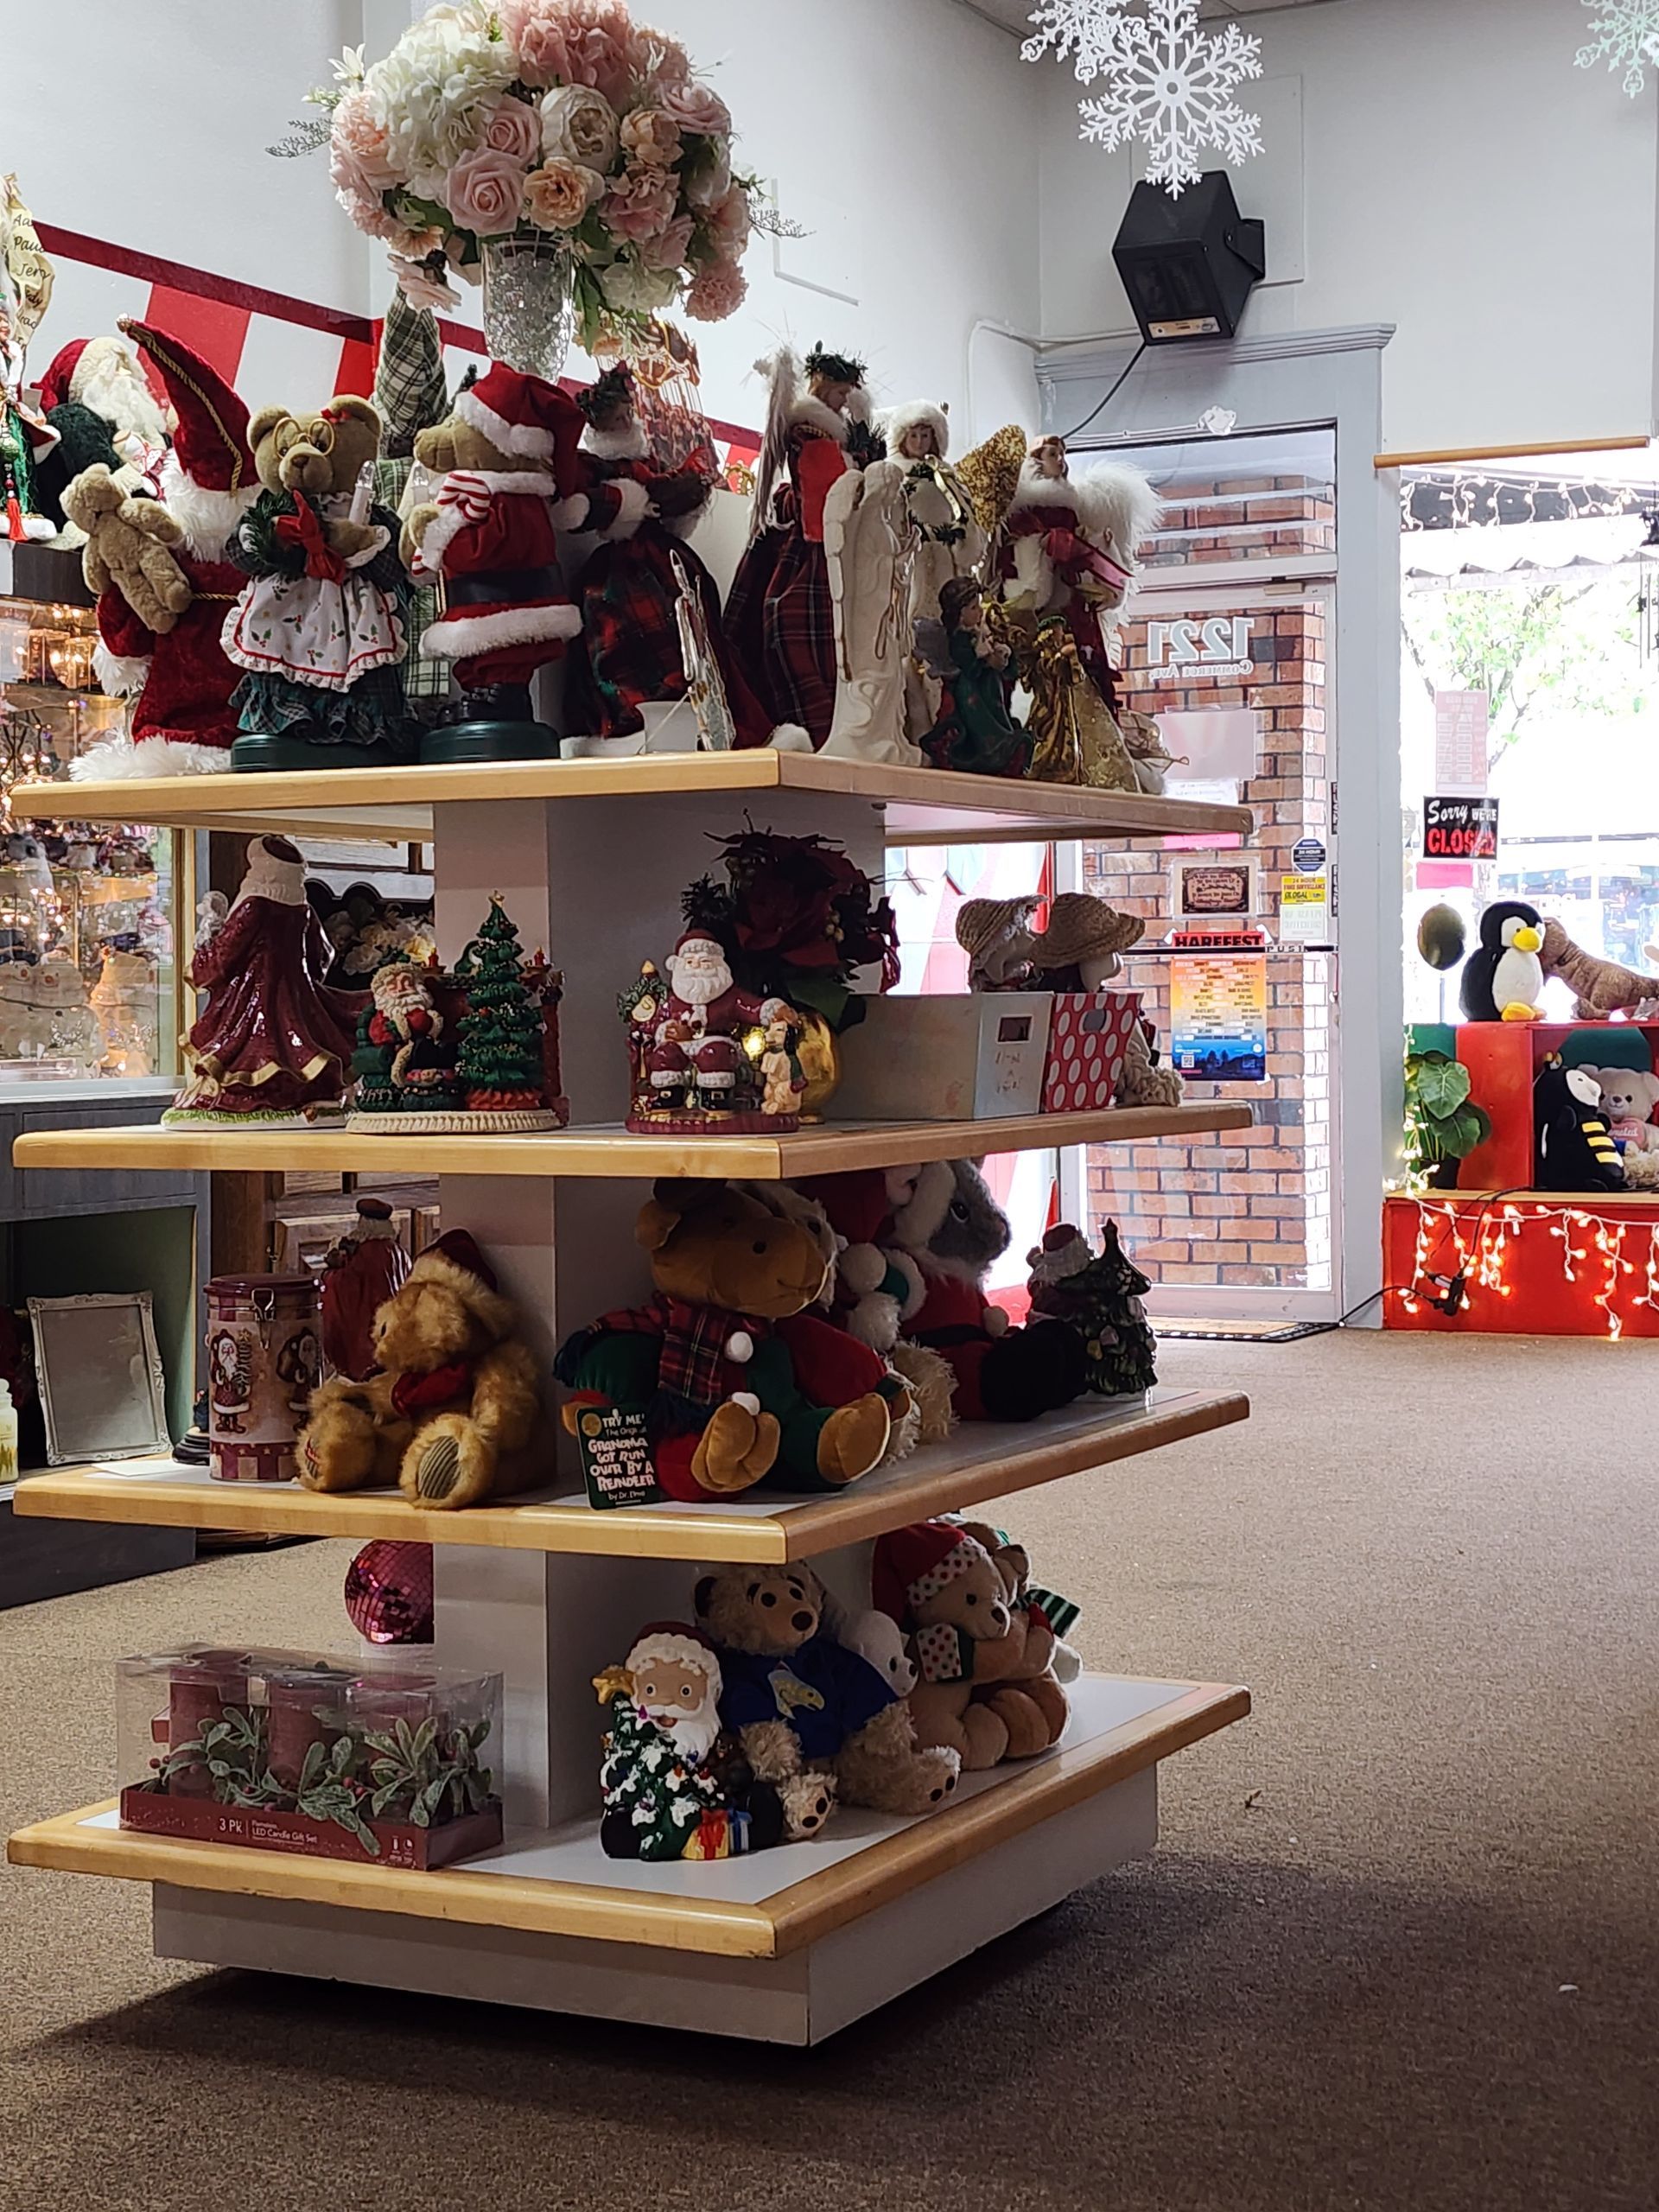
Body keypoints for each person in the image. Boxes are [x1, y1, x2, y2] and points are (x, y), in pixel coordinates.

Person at [563, 365, 780, 747]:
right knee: (628, 630)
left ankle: (700, 702)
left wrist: (679, 492)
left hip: (663, 555)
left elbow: (665, 488)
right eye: (619, 417)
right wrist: (623, 504)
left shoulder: (647, 464)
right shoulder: (594, 467)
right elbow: (583, 507)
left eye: (629, 414)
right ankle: (642, 710)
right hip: (624, 565)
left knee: (694, 620)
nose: (627, 421)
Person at [723, 344, 871, 747]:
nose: (846, 400)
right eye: (841, 393)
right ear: (825, 389)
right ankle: (814, 723)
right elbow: (824, 484)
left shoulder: (834, 433)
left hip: (827, 534)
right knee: (790, 620)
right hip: (813, 537)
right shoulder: (810, 432)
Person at [881, 399, 988, 737]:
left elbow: (966, 515)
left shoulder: (947, 474)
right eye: (915, 434)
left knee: (948, 627)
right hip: (911, 562)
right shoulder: (893, 473)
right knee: (912, 631)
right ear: (902, 436)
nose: (921, 442)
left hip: (944, 562)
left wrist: (960, 540)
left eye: (927, 435)